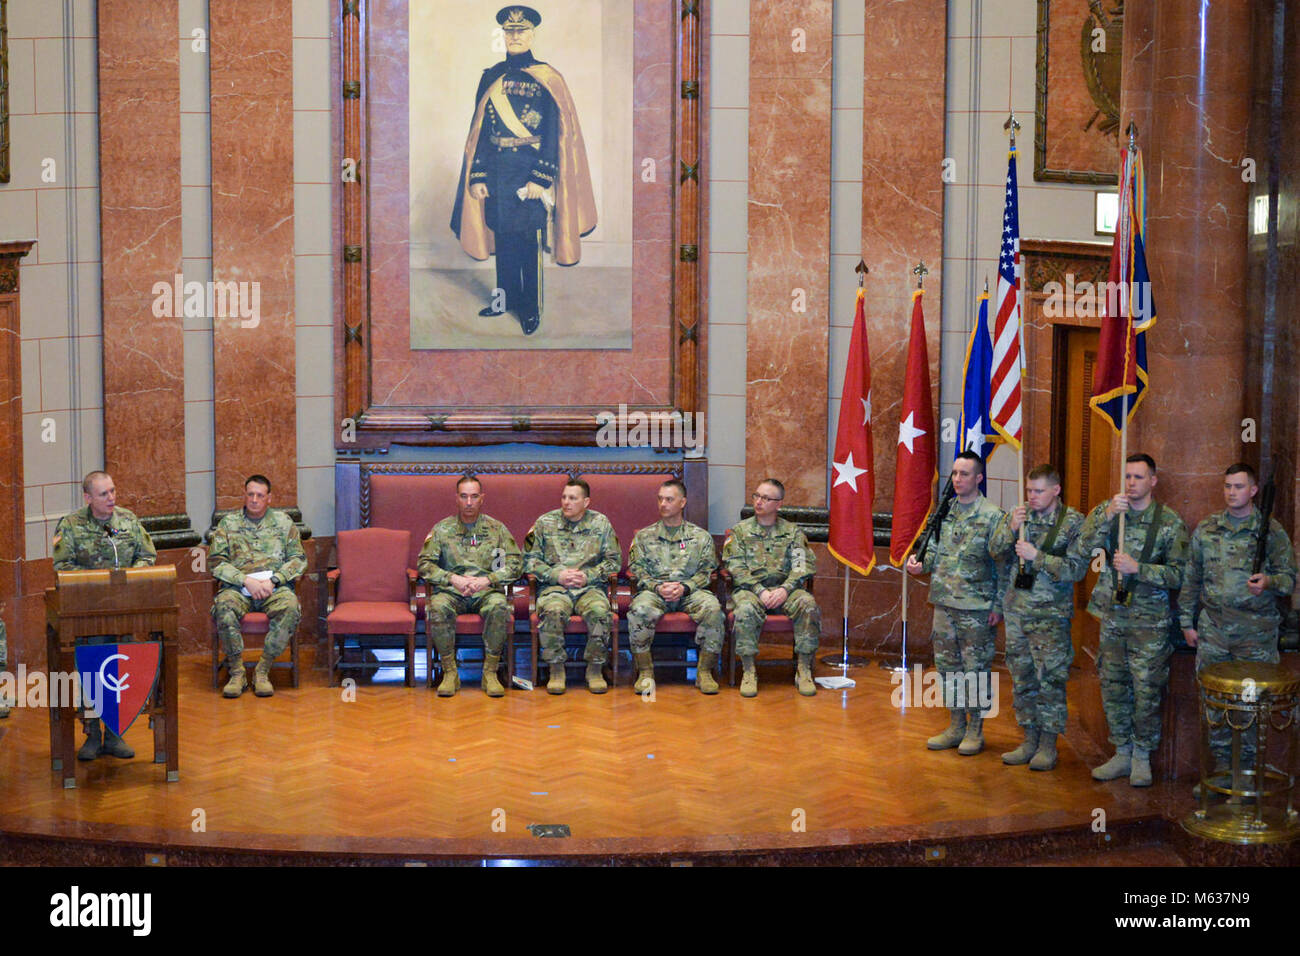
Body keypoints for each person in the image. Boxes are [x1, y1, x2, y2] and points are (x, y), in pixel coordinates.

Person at [450, 5, 597, 335]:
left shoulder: (548, 78)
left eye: (521, 31)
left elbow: (554, 135)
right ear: (503, 34)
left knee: (528, 244)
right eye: (509, 31)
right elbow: (481, 136)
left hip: (529, 174)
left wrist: (540, 178)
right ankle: (504, 300)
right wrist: (478, 175)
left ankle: (530, 309)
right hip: (498, 173)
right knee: (503, 241)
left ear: (532, 35)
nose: (514, 36)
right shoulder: (490, 77)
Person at [1075, 453, 1188, 787]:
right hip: (1112, 615)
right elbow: (1082, 547)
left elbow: (1180, 575)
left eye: (1138, 477)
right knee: (1113, 685)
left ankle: (1142, 756)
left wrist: (1140, 569)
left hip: (1149, 622)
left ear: (1153, 481)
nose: (1131, 483)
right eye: (1127, 477)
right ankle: (1121, 750)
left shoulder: (1169, 522)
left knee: (1146, 690)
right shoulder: (1110, 512)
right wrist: (1108, 515)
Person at [1180, 462, 1296, 771]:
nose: (1232, 492)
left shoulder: (1270, 531)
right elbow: (1192, 578)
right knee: (1213, 703)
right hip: (1214, 631)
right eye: (1228, 486)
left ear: (1254, 491)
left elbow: (1289, 579)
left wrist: (1269, 582)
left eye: (1239, 486)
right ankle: (1220, 772)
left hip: (1254, 634)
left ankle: (1245, 773)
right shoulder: (1207, 528)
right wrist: (1185, 622)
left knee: (1250, 705)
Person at [906, 452, 1008, 755]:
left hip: (977, 607)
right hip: (944, 602)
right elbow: (934, 551)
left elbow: (1004, 565)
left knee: (975, 670)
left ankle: (975, 730)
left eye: (964, 474)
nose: (957, 479)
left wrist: (998, 606)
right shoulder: (944, 511)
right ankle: (955, 726)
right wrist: (919, 564)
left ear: (978, 478)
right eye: (954, 473)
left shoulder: (992, 516)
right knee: (948, 668)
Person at [52, 470, 157, 760]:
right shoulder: (71, 525)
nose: (111, 498)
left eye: (112, 491)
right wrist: (99, 582)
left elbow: (147, 556)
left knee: (121, 670)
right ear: (88, 498)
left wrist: (130, 577)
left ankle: (114, 733)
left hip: (125, 614)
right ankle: (92, 733)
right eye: (103, 494)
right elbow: (63, 566)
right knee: (93, 670)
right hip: (88, 616)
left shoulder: (127, 520)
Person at [989, 464, 1087, 771]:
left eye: (1039, 491)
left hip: (1050, 616)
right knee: (1022, 680)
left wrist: (1037, 556)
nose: (1032, 497)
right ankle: (1028, 740)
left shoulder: (1073, 522)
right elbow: (993, 551)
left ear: (1056, 490)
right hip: (1017, 610)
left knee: (1050, 681)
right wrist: (1009, 528)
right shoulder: (1020, 515)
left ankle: (1048, 746)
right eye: (1030, 490)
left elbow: (1077, 569)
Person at [417, 475, 523, 698]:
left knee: (498, 607)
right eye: (464, 496)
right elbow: (424, 564)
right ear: (456, 499)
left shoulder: (496, 529)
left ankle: (490, 672)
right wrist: (452, 579)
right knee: (437, 607)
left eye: (474, 497)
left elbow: (515, 564)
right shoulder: (442, 529)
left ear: (482, 499)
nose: (468, 502)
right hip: (452, 591)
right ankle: (449, 672)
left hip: (486, 591)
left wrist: (488, 580)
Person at [721, 478, 821, 698]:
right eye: (757, 496)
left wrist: (785, 590)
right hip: (751, 590)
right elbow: (735, 567)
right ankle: (748, 670)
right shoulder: (740, 532)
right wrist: (759, 590)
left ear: (778, 504)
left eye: (766, 498)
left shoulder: (792, 533)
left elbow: (802, 566)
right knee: (745, 609)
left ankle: (803, 669)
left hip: (786, 591)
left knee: (808, 604)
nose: (759, 502)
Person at [209, 475, 307, 699]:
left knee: (291, 607)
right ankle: (237, 672)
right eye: (250, 494)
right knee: (223, 607)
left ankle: (262, 671)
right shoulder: (228, 524)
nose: (254, 499)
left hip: (273, 588)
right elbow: (215, 562)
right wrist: (245, 580)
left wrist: (275, 581)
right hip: (238, 588)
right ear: (244, 495)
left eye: (260, 495)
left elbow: (298, 559)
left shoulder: (284, 523)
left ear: (269, 498)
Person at [627, 480, 724, 695]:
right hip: (655, 592)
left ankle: (704, 672)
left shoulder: (701, 537)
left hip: (691, 592)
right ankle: (645, 672)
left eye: (669, 499)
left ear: (683, 502)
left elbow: (707, 571)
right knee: (639, 609)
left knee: (713, 609)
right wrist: (658, 587)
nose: (663, 504)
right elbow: (637, 570)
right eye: (660, 499)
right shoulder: (643, 537)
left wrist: (686, 587)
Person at [524, 478, 620, 694]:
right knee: (553, 611)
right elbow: (529, 560)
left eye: (573, 498)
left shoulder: (601, 523)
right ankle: (556, 669)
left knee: (600, 612)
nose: (566, 502)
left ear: (586, 502)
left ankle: (594, 669)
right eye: (564, 497)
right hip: (555, 588)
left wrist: (588, 576)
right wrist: (557, 575)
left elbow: (614, 561)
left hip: (590, 587)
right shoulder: (544, 523)